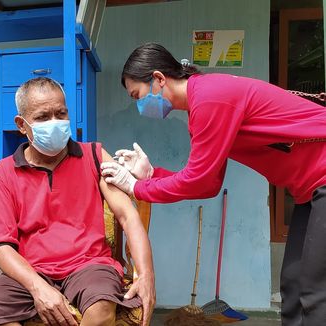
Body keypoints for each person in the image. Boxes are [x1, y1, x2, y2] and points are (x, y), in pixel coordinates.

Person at [100, 42, 326, 325]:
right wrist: (150, 175)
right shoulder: (201, 105)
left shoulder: (209, 98)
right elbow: (208, 183)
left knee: (316, 291)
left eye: (138, 95)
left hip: (322, 178)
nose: (139, 105)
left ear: (158, 79)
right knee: (293, 284)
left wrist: (136, 188)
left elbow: (198, 180)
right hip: (309, 189)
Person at [0, 77, 155, 326]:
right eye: (42, 117)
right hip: (32, 269)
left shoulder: (94, 155)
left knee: (102, 303)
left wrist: (146, 275)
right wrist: (38, 287)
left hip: (89, 265)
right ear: (21, 124)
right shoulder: (4, 173)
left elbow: (128, 216)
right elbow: (1, 247)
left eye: (61, 114)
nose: (55, 123)